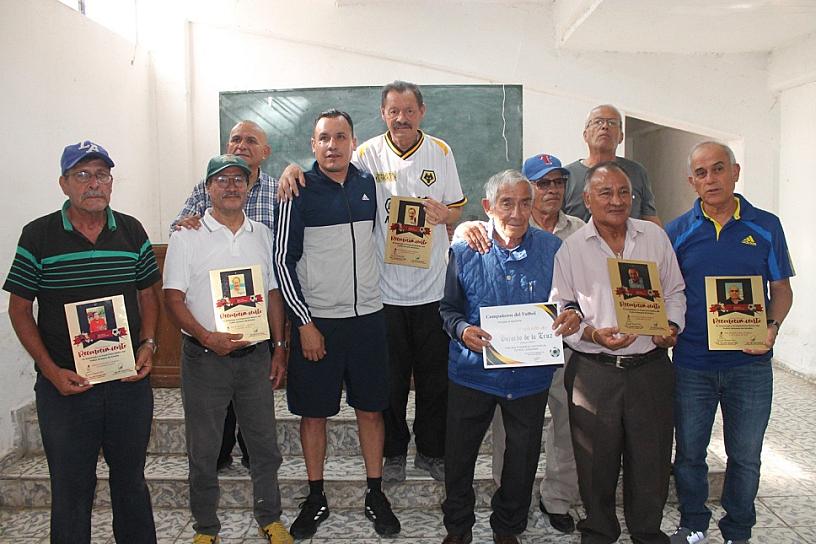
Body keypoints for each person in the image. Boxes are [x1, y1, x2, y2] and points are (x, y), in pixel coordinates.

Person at [278, 81, 467, 482]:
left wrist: (445, 215)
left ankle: (432, 451)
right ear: (383, 114)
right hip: (383, 292)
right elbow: (328, 169)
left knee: (435, 380)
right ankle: (393, 453)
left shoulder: (441, 151)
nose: (401, 118)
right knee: (390, 384)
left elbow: (456, 211)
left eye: (409, 110)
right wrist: (292, 169)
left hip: (433, 288)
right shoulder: (365, 154)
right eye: (393, 111)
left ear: (422, 111)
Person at [3, 141, 160, 543]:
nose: (94, 184)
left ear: (111, 182)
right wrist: (51, 371)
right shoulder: (38, 235)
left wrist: (147, 344)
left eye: (102, 175)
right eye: (83, 175)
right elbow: (19, 309)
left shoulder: (131, 230)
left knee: (131, 482)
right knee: (71, 489)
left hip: (127, 384)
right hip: (65, 389)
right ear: (64, 183)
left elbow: (148, 294)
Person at [275, 110, 401, 539]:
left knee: (371, 409)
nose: (332, 145)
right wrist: (304, 323)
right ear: (313, 145)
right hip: (319, 324)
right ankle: (316, 496)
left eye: (341, 137)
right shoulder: (297, 189)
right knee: (314, 414)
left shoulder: (369, 184)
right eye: (324, 138)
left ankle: (375, 492)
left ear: (353, 142)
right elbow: (282, 261)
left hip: (368, 320)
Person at [439, 169, 579, 544]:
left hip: (529, 378)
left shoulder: (553, 249)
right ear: (488, 206)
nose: (516, 213)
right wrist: (462, 330)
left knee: (522, 459)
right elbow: (448, 309)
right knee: (459, 458)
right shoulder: (465, 249)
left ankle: (508, 527)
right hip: (472, 374)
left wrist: (571, 313)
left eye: (524, 203)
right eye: (506, 203)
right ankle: (458, 527)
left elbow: (570, 301)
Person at [551, 161, 686, 544]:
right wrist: (591, 332)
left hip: (650, 367)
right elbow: (562, 305)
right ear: (587, 199)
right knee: (595, 460)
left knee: (651, 458)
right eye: (606, 193)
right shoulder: (572, 248)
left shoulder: (654, 237)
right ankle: (599, 530)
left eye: (624, 192)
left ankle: (647, 531)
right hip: (594, 370)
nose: (616, 200)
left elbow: (674, 291)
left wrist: (670, 327)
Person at [666, 142, 794, 544]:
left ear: (735, 172)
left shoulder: (766, 226)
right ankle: (693, 523)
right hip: (692, 363)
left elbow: (781, 289)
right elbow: (668, 292)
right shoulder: (676, 232)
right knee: (690, 453)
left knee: (746, 456)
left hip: (750, 364)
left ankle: (738, 530)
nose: (711, 179)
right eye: (701, 173)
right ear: (691, 181)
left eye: (718, 169)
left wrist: (772, 327)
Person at [162, 154, 291, 544]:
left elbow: (273, 293)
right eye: (222, 180)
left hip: (254, 358)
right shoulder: (186, 236)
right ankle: (205, 528)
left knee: (264, 446)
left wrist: (279, 348)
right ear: (207, 188)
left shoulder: (262, 234)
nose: (231, 186)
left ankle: (270, 519)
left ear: (249, 187)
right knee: (203, 450)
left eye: (239, 179)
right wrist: (206, 337)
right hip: (204, 359)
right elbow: (172, 298)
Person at [170, 120, 277, 471]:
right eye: (235, 139)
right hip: (211, 332)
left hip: (257, 323)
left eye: (251, 140)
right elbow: (179, 227)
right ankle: (218, 458)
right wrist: (186, 223)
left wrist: (280, 343)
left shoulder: (279, 189)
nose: (241, 145)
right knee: (211, 429)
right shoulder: (206, 188)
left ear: (265, 151)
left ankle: (252, 460)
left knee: (258, 427)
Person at [562, 104, 661, 226]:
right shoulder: (566, 176)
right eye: (598, 122)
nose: (605, 126)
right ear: (585, 135)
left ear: (621, 137)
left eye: (612, 123)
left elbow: (650, 219)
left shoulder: (637, 172)